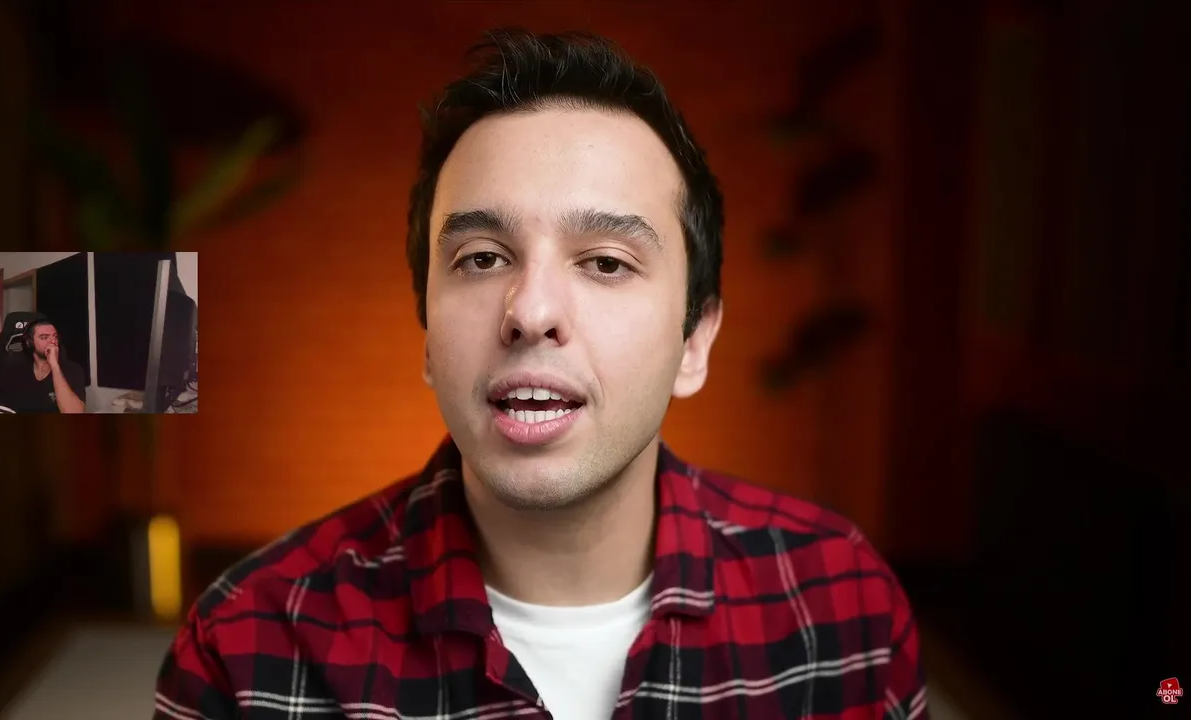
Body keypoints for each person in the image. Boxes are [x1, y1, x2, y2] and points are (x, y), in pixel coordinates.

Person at [155, 28, 928, 720]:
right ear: (427, 336)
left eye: (606, 262)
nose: (530, 310)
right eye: (481, 258)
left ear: (694, 340)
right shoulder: (249, 646)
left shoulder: (840, 605)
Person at [0, 316, 86, 413]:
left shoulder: (72, 369)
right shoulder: (17, 371)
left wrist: (54, 365)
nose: (52, 341)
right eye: (44, 337)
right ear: (30, 343)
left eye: (55, 336)